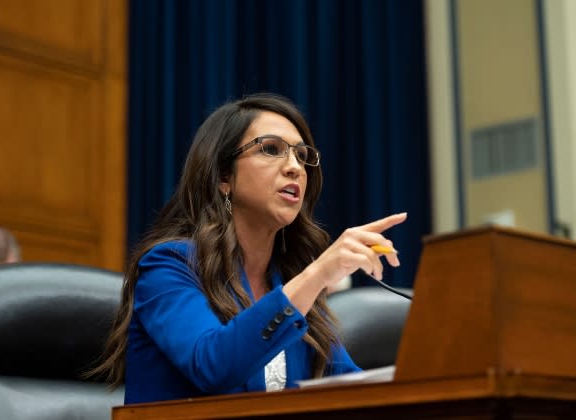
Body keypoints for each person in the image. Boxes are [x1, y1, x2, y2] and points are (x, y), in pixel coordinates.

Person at [91, 93, 407, 404]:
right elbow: (213, 366)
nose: (295, 167)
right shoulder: (168, 266)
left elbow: (355, 390)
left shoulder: (289, 284)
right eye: (271, 149)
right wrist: (319, 273)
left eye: (301, 155)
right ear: (224, 177)